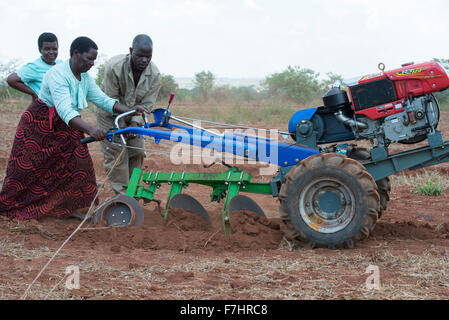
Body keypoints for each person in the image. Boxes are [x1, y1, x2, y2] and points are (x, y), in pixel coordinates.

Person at [0, 36, 143, 221]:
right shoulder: (57, 74)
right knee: (27, 171)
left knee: (79, 164)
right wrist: (91, 130)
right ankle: (10, 208)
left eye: (94, 60)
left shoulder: (84, 77)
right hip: (39, 126)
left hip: (68, 125)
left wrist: (129, 110)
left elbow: (102, 100)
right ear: (76, 54)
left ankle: (71, 209)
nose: (91, 63)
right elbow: (65, 110)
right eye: (88, 59)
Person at [95, 34, 161, 195]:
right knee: (116, 154)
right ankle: (122, 197)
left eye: (148, 56)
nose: (144, 60)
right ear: (131, 51)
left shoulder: (155, 75)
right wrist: (122, 123)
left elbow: (146, 104)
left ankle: (132, 192)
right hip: (109, 114)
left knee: (136, 152)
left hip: (135, 117)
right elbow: (110, 99)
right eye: (140, 55)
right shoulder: (114, 67)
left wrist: (134, 123)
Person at [7, 32, 61, 100]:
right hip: (43, 108)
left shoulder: (60, 64)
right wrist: (33, 93)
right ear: (40, 50)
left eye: (54, 49)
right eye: (47, 49)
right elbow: (11, 80)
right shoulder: (34, 67)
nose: (51, 52)